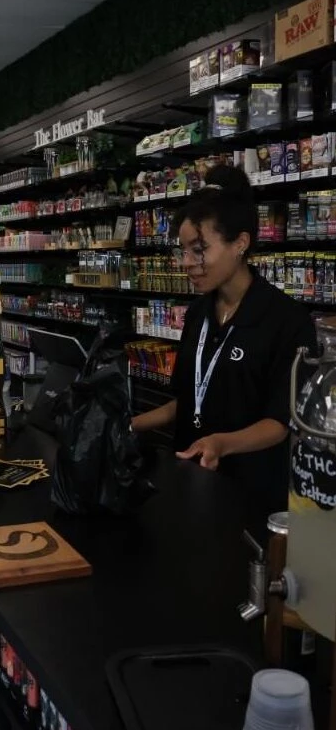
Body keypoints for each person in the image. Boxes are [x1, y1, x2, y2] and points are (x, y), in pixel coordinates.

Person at [132, 165, 316, 522]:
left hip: (250, 498)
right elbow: (185, 403)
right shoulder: (198, 314)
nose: (187, 263)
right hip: (189, 485)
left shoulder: (286, 321)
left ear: (240, 243)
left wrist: (221, 443)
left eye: (199, 250)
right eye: (183, 251)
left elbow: (279, 423)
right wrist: (127, 423)